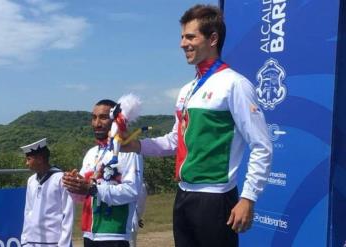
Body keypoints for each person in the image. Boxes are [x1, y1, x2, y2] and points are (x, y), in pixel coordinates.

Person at [122, 4, 272, 247]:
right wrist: (136, 145)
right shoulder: (187, 89)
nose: (183, 43)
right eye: (182, 37)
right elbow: (174, 141)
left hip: (215, 198)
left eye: (190, 36)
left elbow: (262, 145)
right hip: (183, 195)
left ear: (213, 38)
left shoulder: (234, 84)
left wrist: (248, 198)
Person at [62, 99, 143, 247]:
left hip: (115, 234)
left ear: (115, 119)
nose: (96, 123)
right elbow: (82, 196)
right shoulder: (91, 153)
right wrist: (74, 183)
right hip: (89, 234)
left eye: (103, 117)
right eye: (94, 117)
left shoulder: (129, 151)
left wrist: (93, 189)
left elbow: (132, 191)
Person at [20, 138, 74, 247]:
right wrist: (24, 240)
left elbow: (68, 213)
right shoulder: (31, 181)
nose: (26, 163)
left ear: (39, 159)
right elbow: (28, 211)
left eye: (28, 159)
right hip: (32, 241)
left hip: (53, 242)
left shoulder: (61, 178)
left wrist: (64, 244)